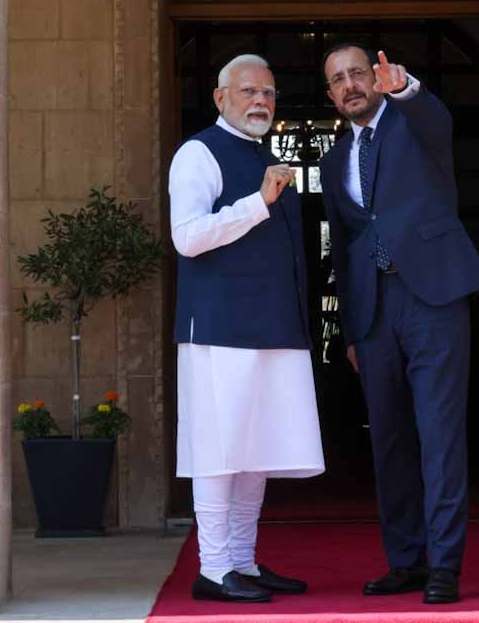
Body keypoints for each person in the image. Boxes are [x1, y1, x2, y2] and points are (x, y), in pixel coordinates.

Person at [318, 44, 479, 605]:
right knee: (388, 439)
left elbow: (437, 119)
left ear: (376, 78)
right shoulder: (332, 161)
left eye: (358, 74)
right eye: (338, 80)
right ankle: (406, 560)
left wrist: (408, 89)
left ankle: (444, 566)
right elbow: (343, 251)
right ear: (331, 94)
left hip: (432, 299)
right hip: (373, 312)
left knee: (439, 434)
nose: (350, 85)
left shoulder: (415, 125)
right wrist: (350, 330)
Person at [169, 53, 325, 604]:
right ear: (221, 97)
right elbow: (187, 237)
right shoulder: (197, 153)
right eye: (249, 91)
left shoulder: (266, 155)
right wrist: (258, 202)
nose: (261, 100)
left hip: (274, 325)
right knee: (219, 452)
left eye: (269, 92)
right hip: (220, 328)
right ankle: (213, 569)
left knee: (255, 451)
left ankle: (241, 561)